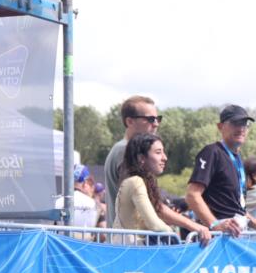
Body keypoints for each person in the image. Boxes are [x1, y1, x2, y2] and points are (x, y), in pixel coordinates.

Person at [114, 133, 211, 245]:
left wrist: (192, 227)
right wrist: (175, 240)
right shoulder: (135, 181)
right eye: (158, 152)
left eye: (163, 152)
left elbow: (156, 215)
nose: (165, 158)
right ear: (141, 158)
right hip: (131, 254)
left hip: (130, 252)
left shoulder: (137, 181)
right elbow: (154, 224)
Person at [186, 104, 256, 237]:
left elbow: (236, 207)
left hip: (237, 231)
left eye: (244, 123)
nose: (241, 128)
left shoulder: (238, 159)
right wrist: (214, 225)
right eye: (235, 123)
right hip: (219, 237)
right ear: (220, 126)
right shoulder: (212, 152)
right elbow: (192, 195)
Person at [105, 95, 161, 228]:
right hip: (127, 243)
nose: (156, 124)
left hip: (130, 241)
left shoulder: (125, 149)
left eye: (158, 118)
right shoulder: (124, 150)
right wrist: (194, 226)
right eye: (150, 119)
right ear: (129, 121)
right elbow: (144, 203)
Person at [55, 164, 99, 231]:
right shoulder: (91, 202)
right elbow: (93, 226)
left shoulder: (58, 201)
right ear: (85, 182)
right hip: (82, 241)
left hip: (61, 240)